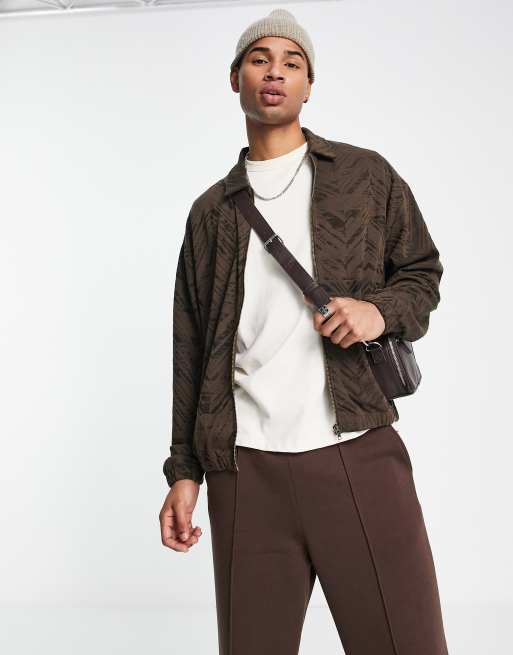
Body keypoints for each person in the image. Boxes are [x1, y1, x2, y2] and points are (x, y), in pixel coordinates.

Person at [159, 8, 449, 655]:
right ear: (235, 78)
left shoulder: (364, 176)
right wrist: (184, 471)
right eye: (259, 59)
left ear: (309, 85)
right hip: (244, 469)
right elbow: (190, 345)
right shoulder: (210, 213)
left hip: (357, 452)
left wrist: (378, 311)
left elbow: (421, 272)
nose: (275, 72)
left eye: (292, 63)